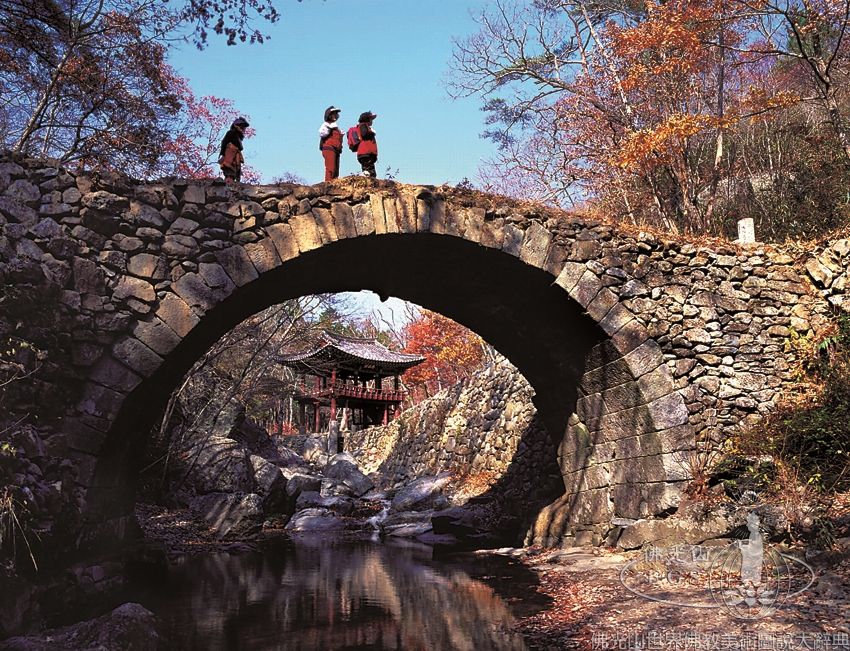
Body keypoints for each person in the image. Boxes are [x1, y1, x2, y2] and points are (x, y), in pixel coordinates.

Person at [219, 117, 249, 184]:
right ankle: (229, 181)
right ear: (236, 126)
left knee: (234, 170)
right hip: (230, 154)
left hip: (235, 154)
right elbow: (224, 142)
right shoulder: (231, 133)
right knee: (229, 170)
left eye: (243, 127)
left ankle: (231, 181)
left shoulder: (237, 136)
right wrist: (223, 154)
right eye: (241, 126)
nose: (243, 128)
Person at [319, 106, 343, 182]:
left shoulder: (335, 127)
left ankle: (334, 183)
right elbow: (322, 133)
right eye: (334, 114)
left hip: (336, 149)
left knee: (336, 169)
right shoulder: (326, 125)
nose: (335, 115)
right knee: (330, 168)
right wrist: (329, 128)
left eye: (336, 114)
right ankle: (328, 184)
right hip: (329, 147)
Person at [356, 111, 378, 177]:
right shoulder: (363, 125)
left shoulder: (365, 127)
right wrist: (372, 133)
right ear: (367, 119)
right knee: (369, 172)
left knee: (370, 171)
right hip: (366, 153)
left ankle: (367, 183)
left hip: (366, 153)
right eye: (371, 119)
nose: (372, 121)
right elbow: (364, 134)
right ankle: (366, 183)